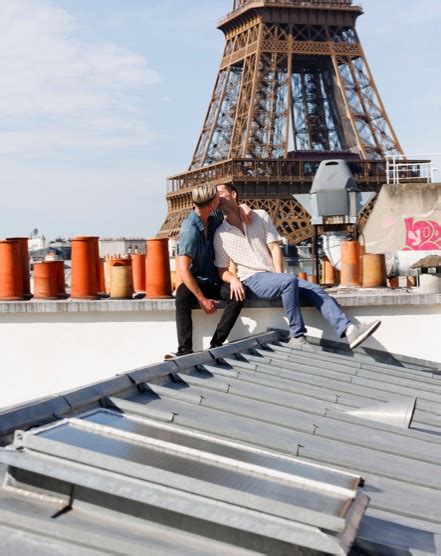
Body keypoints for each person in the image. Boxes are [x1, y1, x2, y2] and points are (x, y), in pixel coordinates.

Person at [213, 183, 381, 349]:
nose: (217, 196)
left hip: (272, 277)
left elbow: (274, 247)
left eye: (221, 192)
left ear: (233, 194)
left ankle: (349, 329)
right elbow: (222, 270)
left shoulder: (260, 215)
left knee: (315, 289)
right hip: (250, 280)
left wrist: (278, 275)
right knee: (288, 281)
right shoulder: (220, 234)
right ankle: (298, 335)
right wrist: (233, 279)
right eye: (215, 194)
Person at [165, 184, 245, 358]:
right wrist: (202, 299)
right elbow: (183, 270)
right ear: (210, 205)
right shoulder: (190, 231)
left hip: (215, 280)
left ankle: (216, 343)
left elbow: (235, 207)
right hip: (196, 282)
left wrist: (245, 208)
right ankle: (184, 350)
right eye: (218, 197)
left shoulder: (214, 215)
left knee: (237, 294)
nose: (220, 198)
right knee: (182, 296)